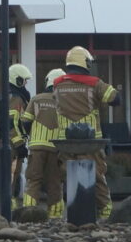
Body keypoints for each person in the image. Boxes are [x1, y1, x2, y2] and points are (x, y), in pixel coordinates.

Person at [52, 46, 121, 220]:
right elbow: (115, 99)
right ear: (85, 63)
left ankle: (71, 215)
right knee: (97, 177)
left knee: (67, 176)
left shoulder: (57, 84)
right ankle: (105, 212)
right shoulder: (94, 83)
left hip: (65, 142)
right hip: (91, 142)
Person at [21, 68, 65, 219]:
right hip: (56, 148)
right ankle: (55, 215)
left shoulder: (36, 99)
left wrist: (31, 133)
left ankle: (29, 213)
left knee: (33, 179)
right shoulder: (64, 102)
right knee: (55, 183)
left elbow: (26, 121)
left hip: (37, 147)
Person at [7, 63, 33, 210]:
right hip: (13, 145)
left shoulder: (18, 97)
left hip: (17, 144)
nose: (26, 84)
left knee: (15, 175)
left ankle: (13, 204)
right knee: (12, 175)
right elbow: (11, 123)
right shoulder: (15, 98)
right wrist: (19, 144)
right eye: (24, 80)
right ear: (17, 80)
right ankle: (10, 206)